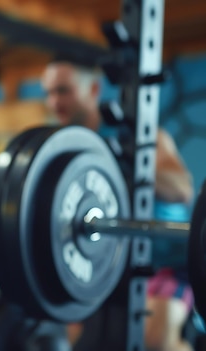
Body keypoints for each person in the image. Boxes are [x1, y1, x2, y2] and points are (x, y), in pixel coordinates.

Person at [41, 60, 195, 351]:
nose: (54, 102)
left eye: (63, 91)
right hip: (103, 266)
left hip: (162, 264)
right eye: (49, 93)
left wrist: (128, 164)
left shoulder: (144, 138)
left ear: (94, 89)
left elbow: (182, 190)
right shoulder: (66, 149)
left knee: (155, 342)